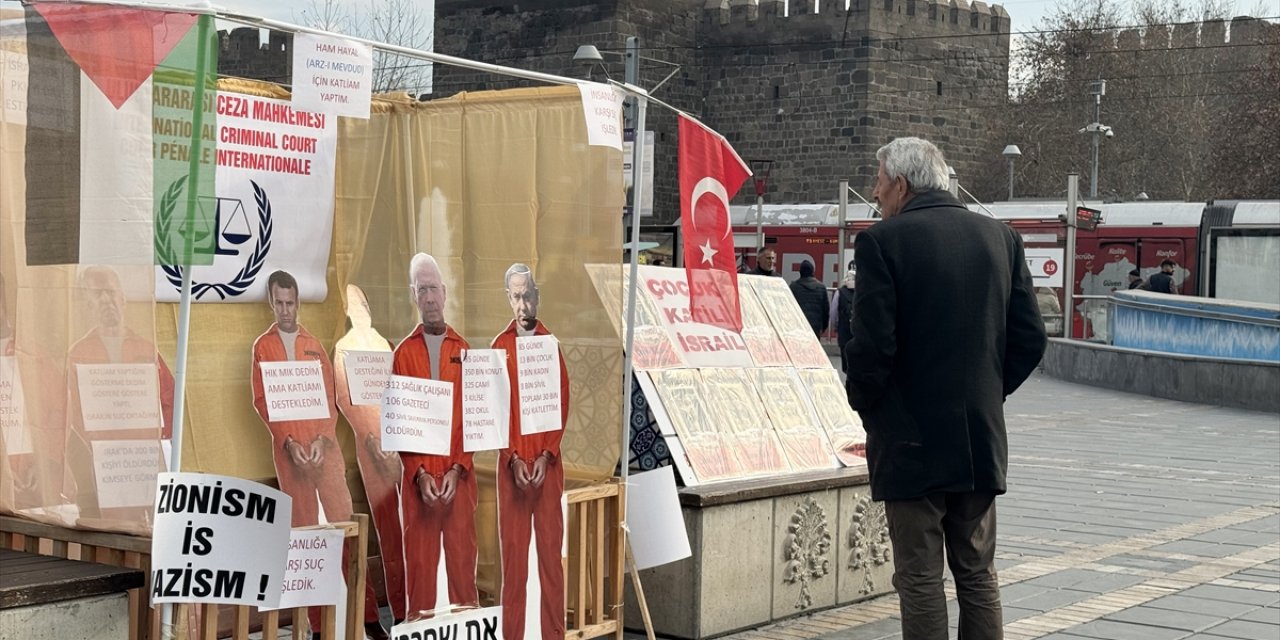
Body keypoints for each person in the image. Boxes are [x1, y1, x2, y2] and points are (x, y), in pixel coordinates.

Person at [843, 137, 1046, 640]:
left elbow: (871, 348)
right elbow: (1031, 339)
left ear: (902, 185)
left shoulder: (882, 243)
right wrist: (988, 393)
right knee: (977, 574)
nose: (876, 193)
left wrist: (871, 408)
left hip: (911, 441)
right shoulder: (1000, 237)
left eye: (879, 182)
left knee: (919, 577)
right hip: (978, 439)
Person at [250, 270, 380, 640]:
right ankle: (318, 627)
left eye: (291, 302)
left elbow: (329, 397)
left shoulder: (314, 345)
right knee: (304, 540)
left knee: (345, 532)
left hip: (325, 454)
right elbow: (262, 400)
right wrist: (289, 442)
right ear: (271, 303)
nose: (286, 310)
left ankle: (368, 617)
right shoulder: (263, 347)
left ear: (298, 302)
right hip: (291, 456)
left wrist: (322, 440)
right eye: (280, 303)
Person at [393, 253, 477, 617]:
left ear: (445, 292)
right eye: (421, 288)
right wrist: (421, 474)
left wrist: (458, 470)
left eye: (434, 288)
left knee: (463, 578)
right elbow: (400, 424)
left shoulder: (465, 351)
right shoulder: (402, 354)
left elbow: (475, 421)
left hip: (460, 481)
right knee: (421, 578)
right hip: (419, 486)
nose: (429, 297)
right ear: (414, 294)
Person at [491, 264, 569, 640]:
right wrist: (513, 458)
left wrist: (544, 456)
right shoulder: (498, 348)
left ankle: (553, 634)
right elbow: (493, 409)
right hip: (512, 472)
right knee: (515, 562)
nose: (522, 304)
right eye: (515, 296)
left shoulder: (551, 345)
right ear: (509, 299)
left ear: (536, 296)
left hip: (547, 469)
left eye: (527, 295)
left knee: (550, 558)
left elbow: (562, 403)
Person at [65, 266, 174, 530]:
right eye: (97, 294)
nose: (106, 300)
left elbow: (169, 401)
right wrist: (105, 447)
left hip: (142, 465)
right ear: (87, 305)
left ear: (123, 298)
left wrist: (152, 442)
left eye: (110, 292)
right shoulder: (78, 354)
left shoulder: (147, 350)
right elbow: (72, 413)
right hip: (102, 469)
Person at [333, 284, 405, 635]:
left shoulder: (385, 346)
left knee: (410, 528)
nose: (359, 309)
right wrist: (374, 440)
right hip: (370, 447)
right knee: (388, 529)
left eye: (362, 302)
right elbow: (346, 400)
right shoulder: (343, 350)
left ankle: (413, 605)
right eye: (352, 306)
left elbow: (401, 393)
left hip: (402, 447)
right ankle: (395, 610)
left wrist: (399, 437)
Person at [789, 260, 829, 337]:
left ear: (800, 272)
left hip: (798, 327)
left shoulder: (793, 287)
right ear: (812, 271)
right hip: (815, 327)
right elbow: (825, 311)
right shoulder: (821, 287)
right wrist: (823, 327)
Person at [830, 263, 856, 372]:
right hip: (858, 333)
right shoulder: (862, 292)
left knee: (846, 362)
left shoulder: (839, 293)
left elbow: (833, 313)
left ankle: (847, 380)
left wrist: (836, 326)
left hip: (844, 332)